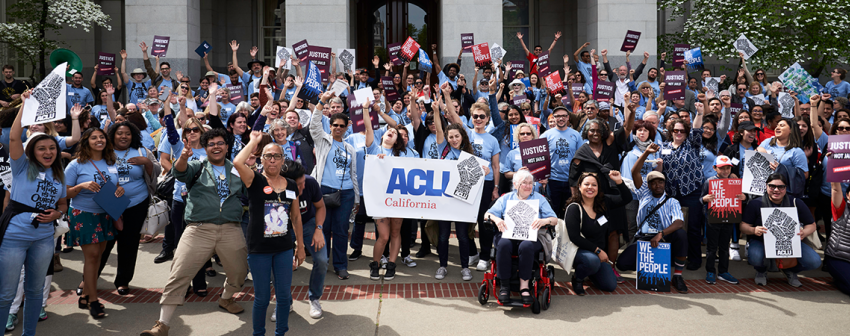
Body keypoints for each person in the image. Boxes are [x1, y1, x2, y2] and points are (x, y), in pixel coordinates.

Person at [141, 128, 249, 336]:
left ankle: (226, 298)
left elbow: (251, 190)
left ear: (227, 147)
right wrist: (182, 156)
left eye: (220, 143)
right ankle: (161, 325)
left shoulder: (237, 169)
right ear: (206, 148)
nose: (216, 146)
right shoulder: (196, 166)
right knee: (179, 273)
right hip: (198, 229)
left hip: (230, 228)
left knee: (239, 272)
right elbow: (179, 171)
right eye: (211, 144)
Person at [0, 92, 67, 335]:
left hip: (44, 239)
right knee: (6, 293)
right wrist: (25, 106)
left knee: (36, 291)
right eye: (41, 148)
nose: (48, 152)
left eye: (52, 148)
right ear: (32, 151)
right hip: (14, 237)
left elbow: (63, 205)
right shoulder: (21, 166)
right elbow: (15, 136)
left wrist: (56, 215)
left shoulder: (59, 175)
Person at [234, 130, 305, 335]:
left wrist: (300, 246)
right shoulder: (254, 180)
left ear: (283, 160)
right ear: (261, 159)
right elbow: (238, 162)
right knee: (262, 298)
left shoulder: (291, 184)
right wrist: (253, 141)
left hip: (283, 249)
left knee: (283, 297)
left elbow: (296, 217)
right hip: (259, 250)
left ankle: (281, 332)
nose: (272, 160)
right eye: (268, 156)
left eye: (276, 156)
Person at [81, 122, 160, 296]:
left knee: (129, 243)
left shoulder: (142, 151)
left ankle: (123, 280)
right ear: (112, 135)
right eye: (119, 133)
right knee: (102, 243)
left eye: (127, 134)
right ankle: (89, 279)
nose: (124, 136)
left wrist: (147, 162)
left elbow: (156, 171)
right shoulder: (103, 152)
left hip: (136, 203)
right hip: (107, 204)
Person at [64, 127, 123, 318]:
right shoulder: (76, 165)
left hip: (105, 214)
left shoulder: (111, 162)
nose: (99, 140)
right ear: (86, 141)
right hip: (83, 214)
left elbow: (116, 184)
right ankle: (94, 301)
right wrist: (81, 186)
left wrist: (119, 190)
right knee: (92, 256)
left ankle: (86, 295)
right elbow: (64, 193)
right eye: (94, 138)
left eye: (102, 137)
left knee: (98, 257)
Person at [619, 143, 689, 294]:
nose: (657, 185)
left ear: (664, 183)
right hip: (644, 238)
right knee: (622, 264)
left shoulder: (672, 201)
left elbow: (679, 222)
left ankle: (677, 276)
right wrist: (646, 153)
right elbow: (634, 171)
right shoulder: (644, 194)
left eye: (660, 182)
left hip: (664, 238)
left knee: (681, 234)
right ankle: (648, 265)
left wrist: (661, 234)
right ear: (648, 185)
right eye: (653, 182)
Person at [484, 169, 558, 304]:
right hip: (508, 234)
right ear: (516, 184)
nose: (529, 186)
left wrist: (544, 221)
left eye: (531, 183)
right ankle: (505, 287)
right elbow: (487, 214)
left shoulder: (539, 199)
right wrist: (497, 219)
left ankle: (524, 287)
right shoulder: (506, 198)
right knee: (504, 244)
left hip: (532, 237)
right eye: (525, 183)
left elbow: (554, 219)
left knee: (526, 246)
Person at [310, 91, 359, 280]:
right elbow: (315, 124)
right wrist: (322, 101)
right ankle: (322, 262)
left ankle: (340, 266)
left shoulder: (350, 149)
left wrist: (356, 197)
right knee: (323, 228)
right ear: (330, 126)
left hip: (345, 193)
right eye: (335, 125)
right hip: (323, 191)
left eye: (342, 126)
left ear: (347, 127)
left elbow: (353, 174)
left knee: (340, 230)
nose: (338, 128)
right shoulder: (322, 141)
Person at [740, 174, 821, 287]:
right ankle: (761, 270)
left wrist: (804, 232)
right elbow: (743, 226)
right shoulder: (756, 204)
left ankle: (791, 270)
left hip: (790, 242)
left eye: (781, 187)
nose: (776, 190)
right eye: (772, 186)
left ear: (786, 188)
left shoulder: (795, 203)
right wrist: (753, 230)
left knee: (814, 261)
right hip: (760, 241)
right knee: (755, 256)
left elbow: (811, 225)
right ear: (766, 186)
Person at [365, 108, 417, 281]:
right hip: (379, 201)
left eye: (395, 133)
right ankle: (375, 264)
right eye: (389, 130)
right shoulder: (373, 149)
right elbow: (368, 126)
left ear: (397, 141)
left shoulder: (404, 154)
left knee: (395, 233)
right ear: (382, 135)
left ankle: (392, 265)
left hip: (397, 200)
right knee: (384, 236)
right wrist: (366, 109)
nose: (391, 132)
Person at [565, 170, 632, 295]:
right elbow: (574, 237)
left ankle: (590, 272)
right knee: (592, 261)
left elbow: (627, 198)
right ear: (579, 187)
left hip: (597, 254)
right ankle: (577, 279)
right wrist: (598, 251)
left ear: (598, 188)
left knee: (609, 285)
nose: (590, 187)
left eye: (594, 185)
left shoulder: (603, 202)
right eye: (586, 184)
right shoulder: (574, 208)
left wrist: (618, 181)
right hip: (579, 252)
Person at [660, 101, 705, 270]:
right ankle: (673, 257)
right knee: (673, 228)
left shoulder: (691, 144)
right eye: (675, 130)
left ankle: (694, 259)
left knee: (693, 228)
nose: (679, 133)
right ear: (670, 132)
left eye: (682, 131)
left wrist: (699, 114)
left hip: (691, 192)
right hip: (671, 194)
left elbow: (697, 130)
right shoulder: (663, 148)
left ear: (686, 133)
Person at [279, 160, 326, 319]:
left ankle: (314, 298)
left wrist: (319, 229)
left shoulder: (310, 183)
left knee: (321, 259)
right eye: (299, 185)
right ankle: (285, 302)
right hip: (283, 227)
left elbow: (320, 207)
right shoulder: (274, 189)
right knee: (277, 264)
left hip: (308, 224)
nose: (303, 187)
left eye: (303, 182)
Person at [700, 156, 744, 285]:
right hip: (713, 219)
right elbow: (700, 200)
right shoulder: (709, 182)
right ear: (714, 168)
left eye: (728, 168)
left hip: (729, 219)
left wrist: (743, 197)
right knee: (711, 248)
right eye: (722, 168)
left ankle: (723, 272)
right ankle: (710, 271)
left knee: (725, 247)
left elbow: (740, 199)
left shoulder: (735, 182)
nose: (725, 171)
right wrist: (705, 199)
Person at [541, 106, 583, 218]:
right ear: (553, 118)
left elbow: (580, 157)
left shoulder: (576, 135)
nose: (561, 118)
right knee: (552, 212)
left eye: (563, 116)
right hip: (552, 180)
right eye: (557, 116)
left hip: (571, 181)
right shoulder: (546, 135)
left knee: (569, 213)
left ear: (568, 117)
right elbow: (540, 158)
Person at [827, 179, 850, 295]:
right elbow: (836, 189)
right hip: (839, 258)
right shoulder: (841, 209)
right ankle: (837, 281)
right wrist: (834, 165)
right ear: (847, 195)